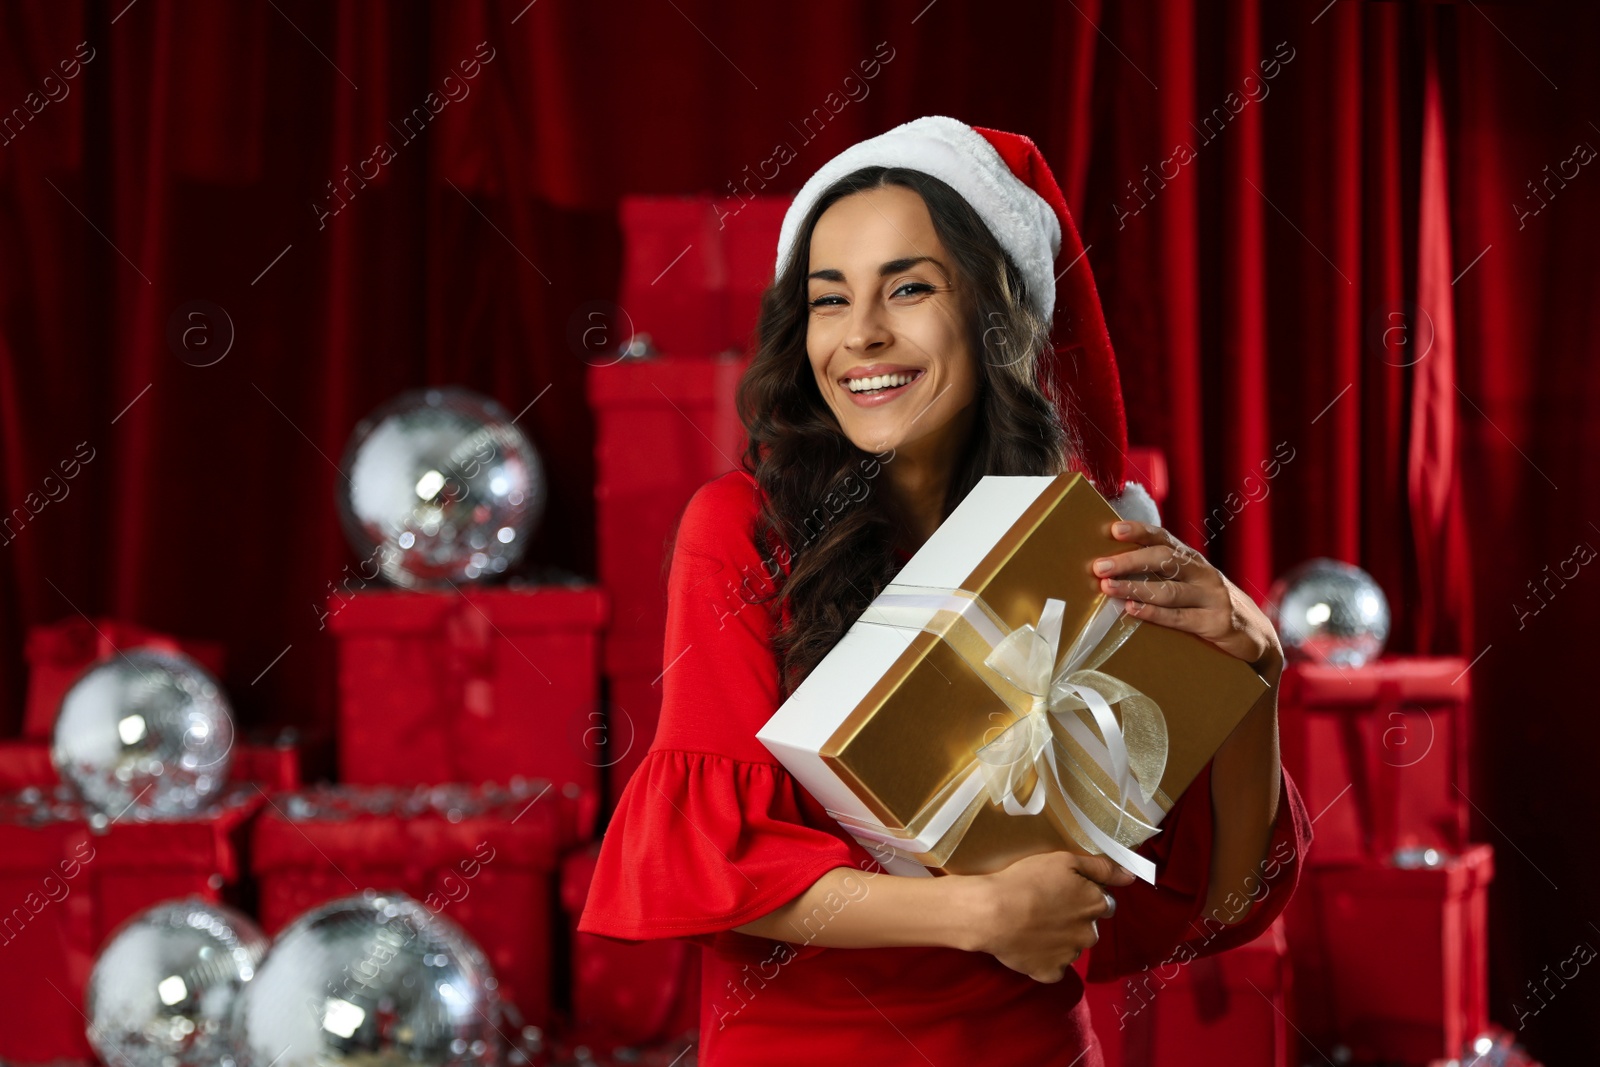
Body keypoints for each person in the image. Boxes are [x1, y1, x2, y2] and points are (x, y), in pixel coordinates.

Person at [579, 115, 1311, 1065]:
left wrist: (1255, 678)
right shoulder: (738, 531)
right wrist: (976, 910)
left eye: (910, 288)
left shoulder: (1083, 544)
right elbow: (714, 873)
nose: (861, 336)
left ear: (993, 313)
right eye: (828, 301)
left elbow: (1218, 903)